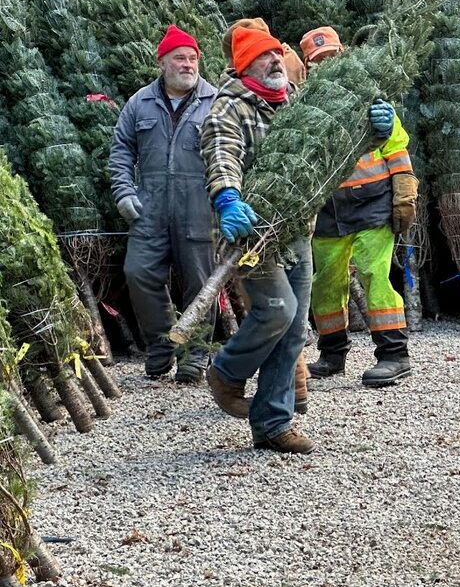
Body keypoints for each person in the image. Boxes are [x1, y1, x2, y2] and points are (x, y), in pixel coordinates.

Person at [200, 25, 314, 453]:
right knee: (276, 310)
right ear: (244, 66)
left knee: (293, 329)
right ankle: (227, 371)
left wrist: (372, 133)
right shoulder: (229, 108)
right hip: (250, 234)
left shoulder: (293, 104)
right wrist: (228, 197)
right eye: (262, 57)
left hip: (296, 231)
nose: (274, 62)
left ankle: (272, 424)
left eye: (276, 55)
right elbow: (221, 151)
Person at [299, 26, 418, 388]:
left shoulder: (372, 99)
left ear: (345, 53)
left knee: (374, 274)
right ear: (308, 65)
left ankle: (394, 355)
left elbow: (396, 146)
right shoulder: (303, 106)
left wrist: (404, 191)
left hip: (372, 204)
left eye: (332, 56)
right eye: (319, 60)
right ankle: (332, 353)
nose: (328, 64)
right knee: (325, 284)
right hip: (329, 210)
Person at [109, 25, 218, 383]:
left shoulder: (215, 102)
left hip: (199, 204)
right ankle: (161, 343)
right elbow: (122, 149)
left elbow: (234, 152)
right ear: (162, 62)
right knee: (138, 272)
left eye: (192, 58)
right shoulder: (139, 102)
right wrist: (124, 191)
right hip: (149, 205)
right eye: (179, 58)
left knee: (199, 282)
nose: (187, 64)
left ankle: (195, 352)